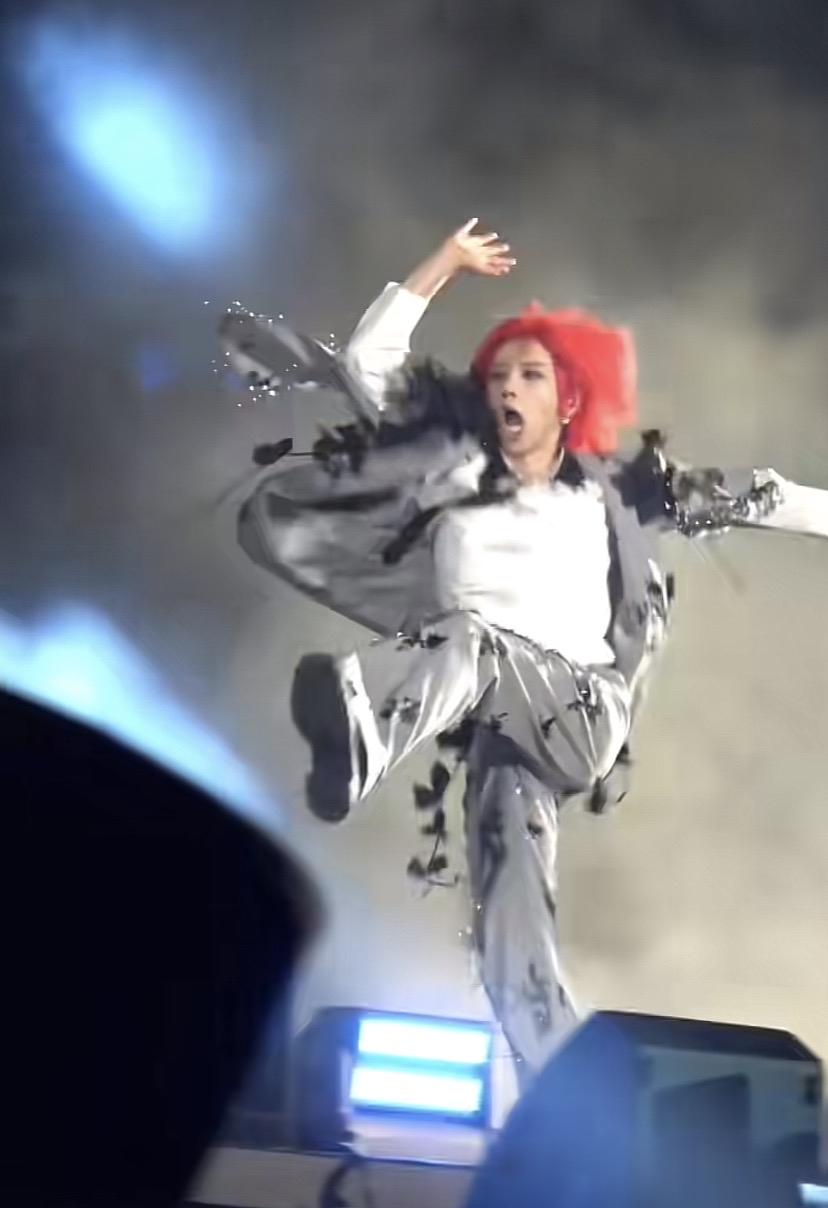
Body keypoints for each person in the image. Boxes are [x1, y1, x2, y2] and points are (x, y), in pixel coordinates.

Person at [228, 220, 828, 1080]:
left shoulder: (619, 490)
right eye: (499, 375)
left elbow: (761, 496)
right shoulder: (455, 469)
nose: (508, 387)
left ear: (569, 401)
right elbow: (368, 361)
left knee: (472, 641)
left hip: (581, 709)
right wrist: (446, 263)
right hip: (500, 727)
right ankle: (565, 1087)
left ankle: (364, 739)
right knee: (509, 923)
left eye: (531, 375)